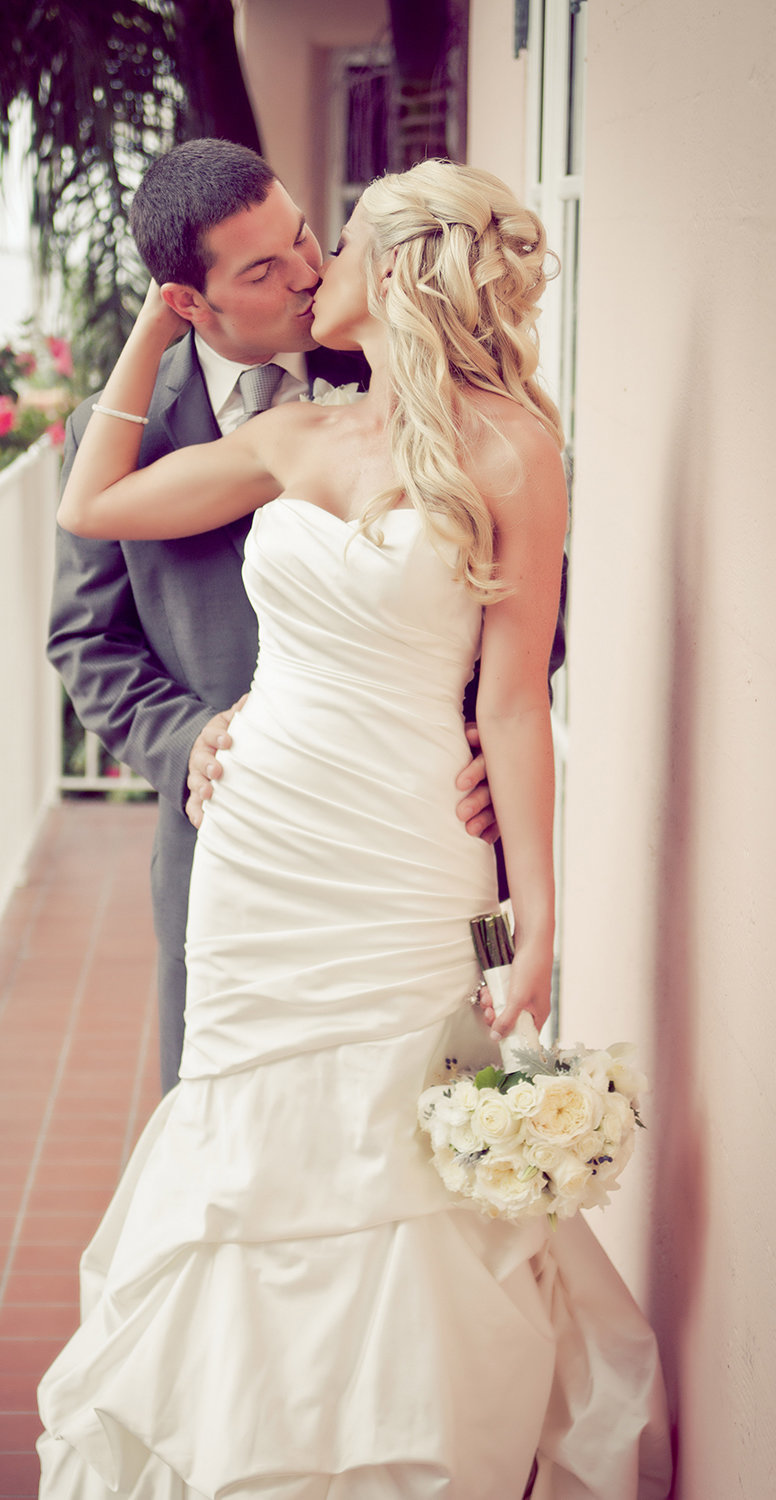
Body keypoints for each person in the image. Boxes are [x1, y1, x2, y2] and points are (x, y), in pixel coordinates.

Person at [38, 160, 671, 1498]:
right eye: (272, 263)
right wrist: (152, 332)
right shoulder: (299, 436)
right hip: (258, 851)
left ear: (389, 275)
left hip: (409, 847)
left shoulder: (513, 448)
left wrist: (532, 915)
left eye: (326, 245)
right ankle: (246, 1446)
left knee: (407, 1134)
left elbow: (510, 697)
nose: (310, 268)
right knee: (248, 1148)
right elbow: (90, 508)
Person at [48, 140, 513, 1094]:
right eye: (263, 269)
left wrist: (482, 732)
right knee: (233, 1117)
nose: (307, 275)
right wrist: (187, 742)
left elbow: (526, 590)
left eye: (306, 237)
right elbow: (85, 640)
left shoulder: (399, 363)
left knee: (432, 1098)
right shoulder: (117, 434)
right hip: (235, 832)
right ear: (187, 301)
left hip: (412, 821)